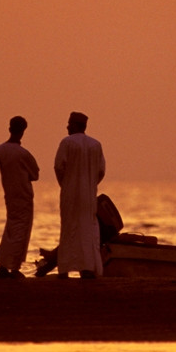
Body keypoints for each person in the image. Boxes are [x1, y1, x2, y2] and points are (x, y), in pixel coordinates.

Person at [54, 111, 106, 278]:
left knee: (69, 229)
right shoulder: (96, 145)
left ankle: (65, 270)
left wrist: (67, 185)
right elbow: (101, 171)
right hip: (89, 197)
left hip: (70, 195)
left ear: (77, 125)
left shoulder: (67, 143)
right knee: (87, 231)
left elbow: (59, 167)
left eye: (70, 123)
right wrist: (90, 186)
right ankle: (87, 268)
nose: (67, 126)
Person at [0, 116, 40, 279]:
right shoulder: (23, 154)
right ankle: (11, 267)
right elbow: (35, 174)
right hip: (23, 195)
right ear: (23, 131)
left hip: (9, 194)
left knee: (11, 229)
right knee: (20, 231)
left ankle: (4, 265)